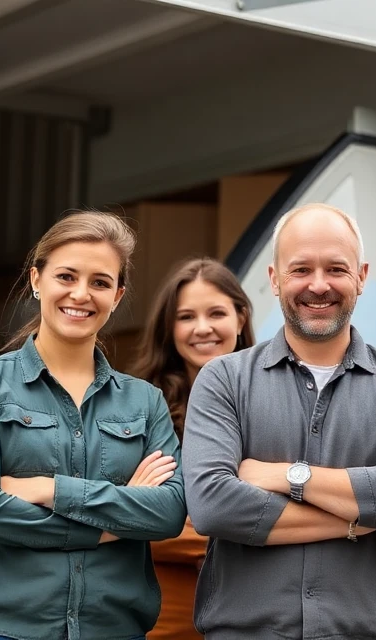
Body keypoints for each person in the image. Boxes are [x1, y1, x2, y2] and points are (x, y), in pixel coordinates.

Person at [181, 202, 376, 640]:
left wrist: (287, 476)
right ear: (274, 279)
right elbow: (211, 504)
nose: (318, 285)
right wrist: (358, 518)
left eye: (336, 269)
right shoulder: (223, 381)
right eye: (301, 269)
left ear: (362, 276)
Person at [0, 211, 187, 640]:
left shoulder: (144, 401)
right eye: (66, 276)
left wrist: (47, 489)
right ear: (37, 280)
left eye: (100, 282)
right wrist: (116, 521)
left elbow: (168, 513)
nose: (81, 294)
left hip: (115, 629)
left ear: (117, 295)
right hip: (3, 630)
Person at [131, 257, 256, 640]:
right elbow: (127, 520)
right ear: (169, 329)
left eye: (216, 313)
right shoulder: (138, 408)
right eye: (186, 317)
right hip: (163, 625)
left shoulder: (278, 402)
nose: (202, 328)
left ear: (240, 317)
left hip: (255, 619)